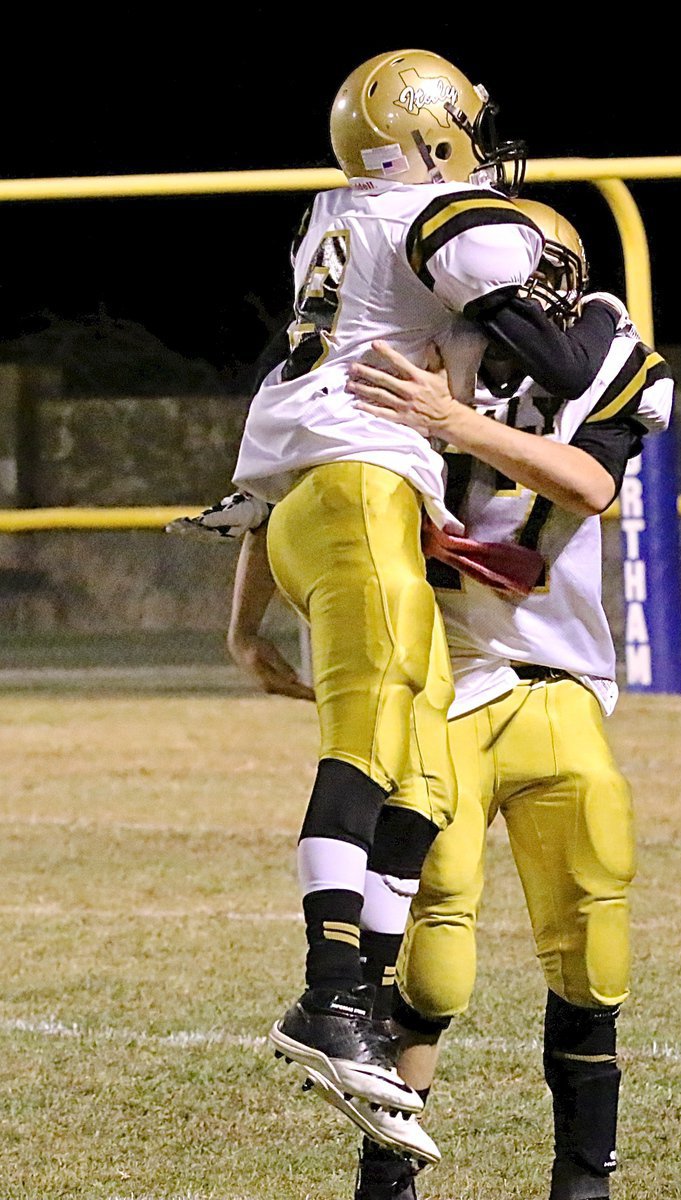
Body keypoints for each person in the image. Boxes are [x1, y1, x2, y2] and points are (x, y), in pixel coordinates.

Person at [191, 49, 628, 1156]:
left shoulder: (333, 218)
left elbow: (293, 397)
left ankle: (358, 1006)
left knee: (417, 779)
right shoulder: (445, 217)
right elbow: (569, 362)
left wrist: (244, 621)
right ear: (433, 137)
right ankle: (330, 998)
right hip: (357, 483)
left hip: (315, 494)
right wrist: (576, 305)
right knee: (379, 715)